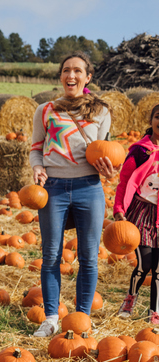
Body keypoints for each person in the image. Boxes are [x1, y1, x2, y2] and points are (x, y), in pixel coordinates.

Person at [29, 53, 119, 337]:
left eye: (78, 71)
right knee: (51, 254)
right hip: (53, 188)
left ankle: (81, 320)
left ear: (87, 77)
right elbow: (36, 148)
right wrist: (38, 168)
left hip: (89, 188)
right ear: (60, 76)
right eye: (66, 70)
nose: (71, 76)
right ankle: (51, 318)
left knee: (89, 257)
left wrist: (109, 170)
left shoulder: (101, 111)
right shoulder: (45, 110)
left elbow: (102, 153)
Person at [113, 104, 159, 323]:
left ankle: (155, 312)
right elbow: (124, 182)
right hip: (141, 212)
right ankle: (130, 300)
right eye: (158, 116)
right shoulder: (140, 150)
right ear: (151, 120)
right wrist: (119, 209)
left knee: (158, 270)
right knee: (145, 264)